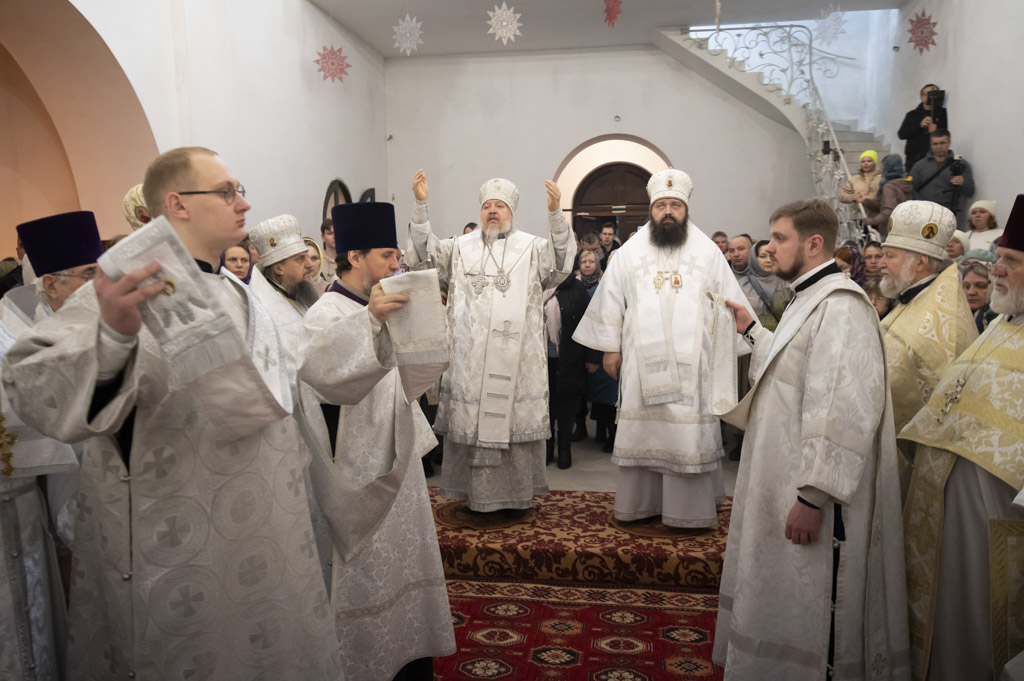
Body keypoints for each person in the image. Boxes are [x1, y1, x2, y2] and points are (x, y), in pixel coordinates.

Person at [3, 147, 340, 680]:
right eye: (226, 192)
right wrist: (112, 336)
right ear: (178, 204)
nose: (243, 203)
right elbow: (30, 388)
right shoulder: (122, 290)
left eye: (240, 190)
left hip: (266, 538)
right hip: (180, 553)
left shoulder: (241, 293)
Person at [714, 198, 910, 680]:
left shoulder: (842, 308)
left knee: (815, 599)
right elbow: (791, 370)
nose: (768, 249)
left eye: (780, 239)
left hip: (812, 492)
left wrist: (812, 496)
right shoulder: (808, 297)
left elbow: (843, 409)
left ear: (814, 243)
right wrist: (752, 331)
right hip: (783, 476)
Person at [299, 201, 455, 681]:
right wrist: (369, 323)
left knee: (406, 562)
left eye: (396, 255)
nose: (396, 264)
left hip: (400, 461)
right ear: (354, 257)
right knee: (366, 573)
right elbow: (325, 376)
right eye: (387, 255)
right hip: (359, 475)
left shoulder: (387, 300)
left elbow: (409, 378)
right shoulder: (325, 313)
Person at [573, 168, 753, 528]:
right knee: (646, 433)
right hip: (641, 363)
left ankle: (688, 511)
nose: (668, 211)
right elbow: (611, 300)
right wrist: (610, 348)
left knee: (686, 436)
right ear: (651, 210)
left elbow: (729, 304)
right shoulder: (629, 252)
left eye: (675, 205)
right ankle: (642, 504)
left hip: (693, 364)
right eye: (661, 206)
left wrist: (728, 344)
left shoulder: (707, 251)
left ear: (685, 209)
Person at [899, 193, 1024, 681]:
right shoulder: (1002, 323)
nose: (998, 271)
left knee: (981, 627)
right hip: (945, 517)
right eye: (999, 259)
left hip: (996, 522)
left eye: (1012, 262)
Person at [406, 170, 576, 513]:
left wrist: (556, 214)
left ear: (512, 212)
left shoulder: (532, 247)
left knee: (511, 426)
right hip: (470, 363)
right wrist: (421, 208)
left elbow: (560, 265)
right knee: (473, 422)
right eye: (487, 207)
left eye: (500, 206)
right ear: (480, 212)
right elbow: (423, 259)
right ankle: (474, 496)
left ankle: (515, 497)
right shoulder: (459, 247)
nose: (493, 211)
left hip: (517, 361)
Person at [0, 211, 101, 680]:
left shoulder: (98, 322)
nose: (99, 285)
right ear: (51, 285)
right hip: (38, 506)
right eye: (88, 274)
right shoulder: (20, 340)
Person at [879, 201, 977, 437]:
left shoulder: (937, 320)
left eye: (889, 256)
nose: (881, 263)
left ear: (920, 262)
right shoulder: (916, 298)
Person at [544, 268, 590, 469]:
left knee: (567, 407)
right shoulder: (540, 286)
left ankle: (565, 449)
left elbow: (589, 324)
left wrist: (591, 358)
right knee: (546, 406)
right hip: (542, 360)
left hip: (570, 358)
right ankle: (547, 448)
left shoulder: (577, 288)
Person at [577, 250, 618, 451]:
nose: (587, 264)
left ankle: (612, 435)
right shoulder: (576, 286)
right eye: (583, 261)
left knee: (608, 394)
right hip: (585, 346)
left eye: (591, 261)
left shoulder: (606, 287)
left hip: (605, 346)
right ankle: (599, 430)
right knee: (593, 394)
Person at [910, 130, 975, 228]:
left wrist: (963, 182)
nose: (939, 147)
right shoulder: (919, 165)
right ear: (930, 145)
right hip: (925, 217)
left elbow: (970, 191)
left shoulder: (961, 164)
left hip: (951, 217)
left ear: (949, 142)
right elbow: (911, 189)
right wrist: (922, 207)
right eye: (935, 144)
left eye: (942, 143)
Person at [738, 239, 792, 331]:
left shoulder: (787, 281)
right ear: (754, 258)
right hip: (757, 337)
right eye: (763, 256)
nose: (768, 260)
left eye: (772, 256)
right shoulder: (743, 286)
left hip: (788, 335)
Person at [898, 83, 948, 170]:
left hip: (935, 159)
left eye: (933, 94)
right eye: (926, 94)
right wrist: (919, 125)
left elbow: (946, 133)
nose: (929, 97)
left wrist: (937, 129)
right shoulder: (912, 114)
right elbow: (901, 134)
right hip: (913, 160)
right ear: (921, 97)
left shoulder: (942, 113)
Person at [864, 154, 914, 236]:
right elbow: (887, 204)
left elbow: (889, 210)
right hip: (906, 227)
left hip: (890, 229)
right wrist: (867, 202)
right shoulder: (905, 183)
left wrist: (872, 221)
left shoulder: (889, 186)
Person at [838, 150, 882, 220]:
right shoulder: (854, 179)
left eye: (869, 161)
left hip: (878, 218)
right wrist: (853, 197)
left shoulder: (881, 179)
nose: (866, 163)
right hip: (859, 218)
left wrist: (864, 199)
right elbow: (841, 196)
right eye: (863, 161)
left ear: (875, 162)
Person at [960, 259, 996, 333]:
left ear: (994, 287)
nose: (971, 292)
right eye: (967, 286)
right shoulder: (956, 318)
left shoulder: (1002, 321)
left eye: (980, 286)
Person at [316, 217, 338, 293]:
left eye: (337, 232)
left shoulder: (348, 259)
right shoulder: (318, 261)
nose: (334, 236)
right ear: (323, 237)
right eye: (330, 233)